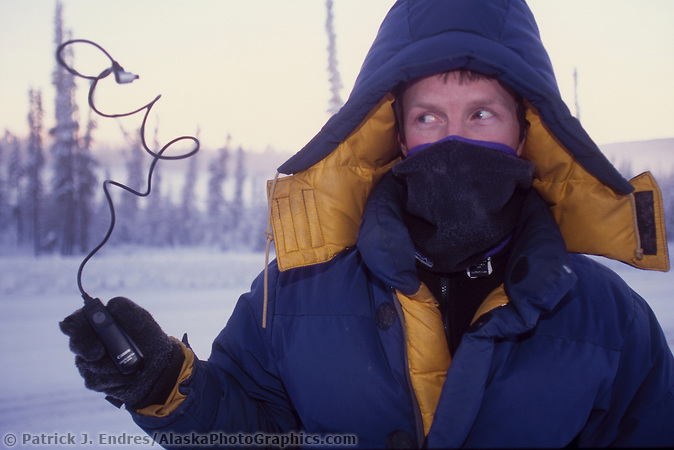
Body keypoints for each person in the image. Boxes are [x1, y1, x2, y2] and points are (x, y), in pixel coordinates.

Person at [60, 0, 674, 447]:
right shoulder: (297, 292)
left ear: (526, 133)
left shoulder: (607, 317)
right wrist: (166, 385)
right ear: (398, 134)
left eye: (482, 113)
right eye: (429, 117)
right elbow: (259, 433)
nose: (453, 140)